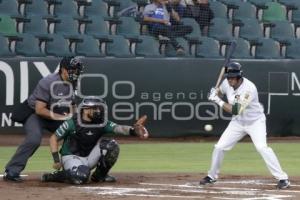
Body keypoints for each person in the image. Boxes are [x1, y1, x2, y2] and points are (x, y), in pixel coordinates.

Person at [200, 62, 290, 189]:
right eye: (229, 77)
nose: (230, 80)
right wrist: (215, 92)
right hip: (238, 122)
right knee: (219, 147)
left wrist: (217, 100)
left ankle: (283, 178)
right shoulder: (227, 83)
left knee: (262, 148)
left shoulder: (249, 89)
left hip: (255, 122)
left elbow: (236, 110)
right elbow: (220, 92)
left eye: (233, 77)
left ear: (239, 76)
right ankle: (211, 176)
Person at [3, 56, 84, 182]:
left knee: (74, 134)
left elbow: (72, 104)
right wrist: (62, 117)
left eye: (77, 70)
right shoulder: (48, 82)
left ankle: (71, 168)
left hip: (56, 112)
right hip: (35, 114)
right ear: (63, 69)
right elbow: (40, 110)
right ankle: (12, 171)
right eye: (73, 70)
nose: (76, 73)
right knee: (34, 139)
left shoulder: (73, 82)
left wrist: (74, 121)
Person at [41, 96, 149, 184]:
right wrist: (56, 160)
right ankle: (55, 176)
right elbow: (53, 138)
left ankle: (99, 176)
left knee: (111, 145)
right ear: (86, 109)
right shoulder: (73, 122)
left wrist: (133, 130)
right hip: (71, 157)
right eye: (96, 109)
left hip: (89, 157)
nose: (99, 111)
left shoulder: (100, 122)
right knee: (80, 178)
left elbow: (118, 128)